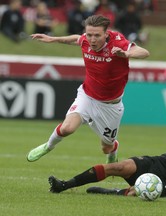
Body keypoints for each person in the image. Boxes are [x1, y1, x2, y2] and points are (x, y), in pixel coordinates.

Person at [26, 15, 150, 164]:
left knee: (106, 147)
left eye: (97, 35)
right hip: (87, 96)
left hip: (110, 106)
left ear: (106, 34)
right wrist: (53, 39)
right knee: (67, 128)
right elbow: (76, 39)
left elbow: (144, 52)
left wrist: (127, 54)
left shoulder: (117, 42)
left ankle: (113, 148)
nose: (92, 39)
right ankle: (48, 146)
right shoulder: (86, 40)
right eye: (89, 34)